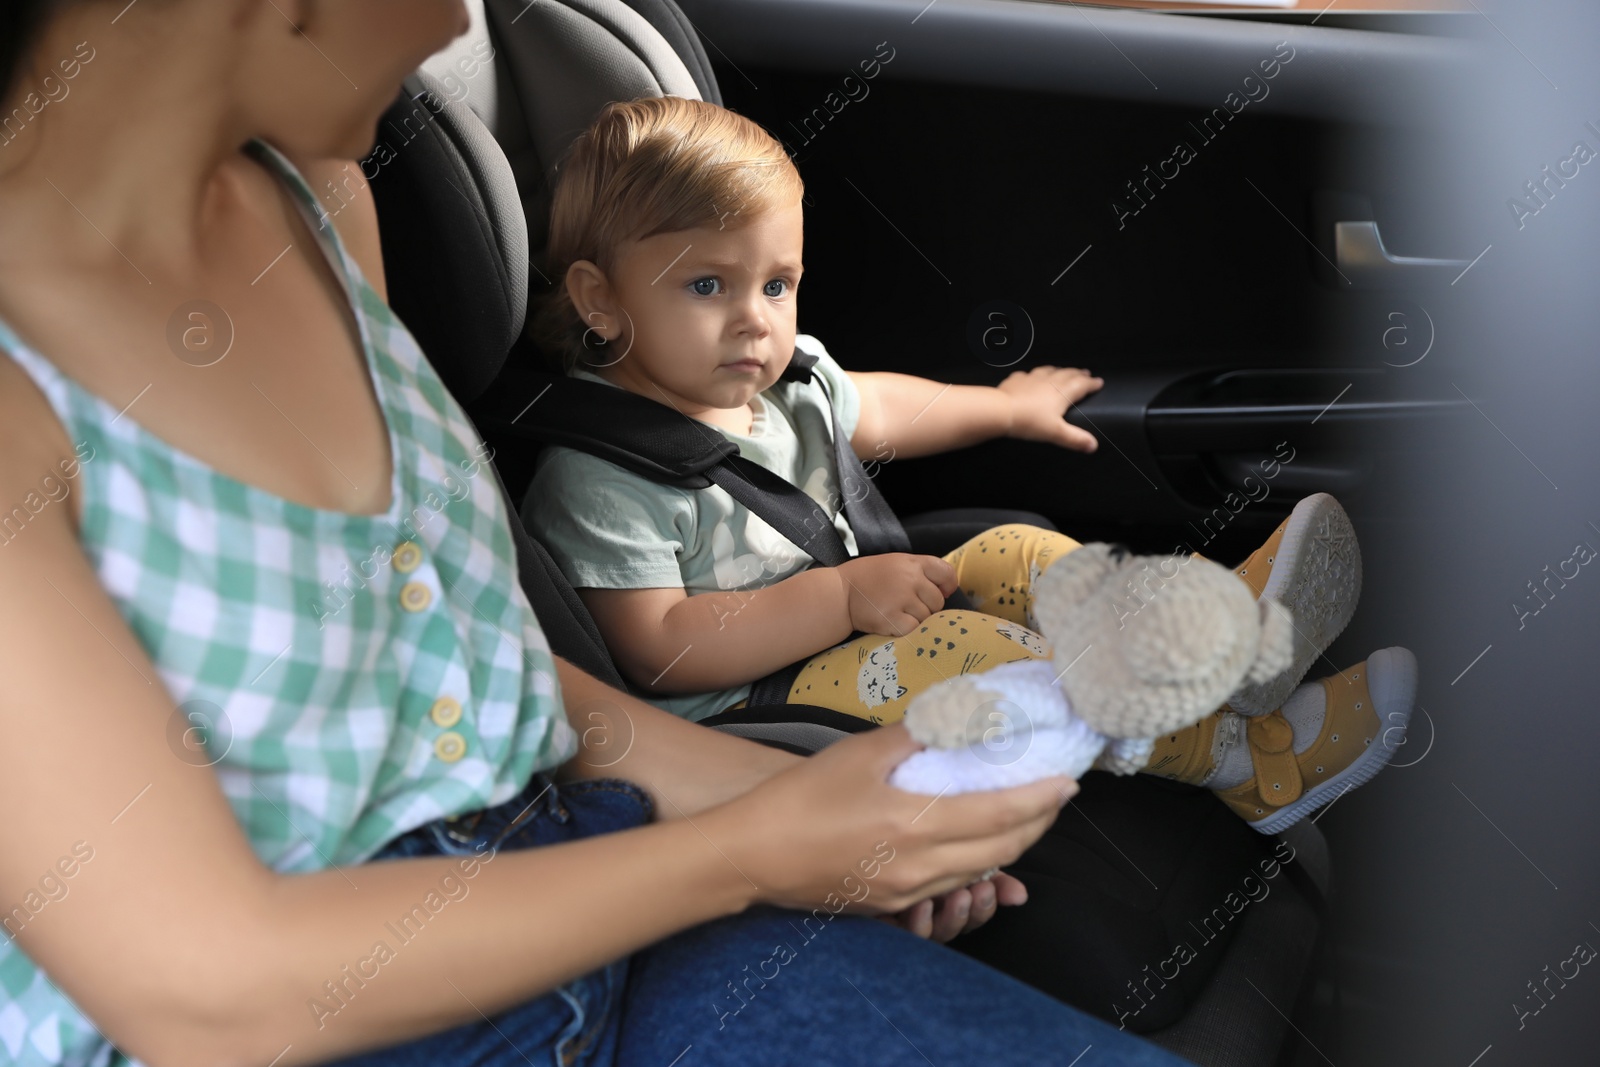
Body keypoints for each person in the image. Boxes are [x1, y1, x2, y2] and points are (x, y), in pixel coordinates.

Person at [0, 2, 1207, 1065]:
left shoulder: (322, 201)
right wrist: (752, 850)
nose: (446, 33)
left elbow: (499, 695)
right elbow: (202, 992)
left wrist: (843, 817)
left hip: (594, 910)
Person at [524, 94, 1413, 833]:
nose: (756, 318)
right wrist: (836, 596)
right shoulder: (599, 476)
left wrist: (1008, 408)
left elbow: (884, 407)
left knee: (1018, 550)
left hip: (847, 619)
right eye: (707, 285)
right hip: (751, 717)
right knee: (980, 648)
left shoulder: (781, 386)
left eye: (777, 283)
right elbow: (662, 651)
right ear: (600, 300)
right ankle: (1254, 766)